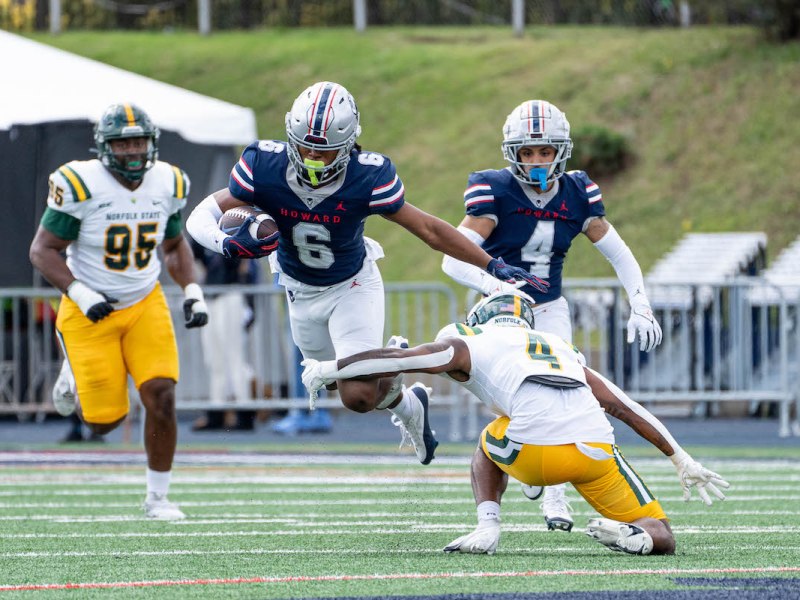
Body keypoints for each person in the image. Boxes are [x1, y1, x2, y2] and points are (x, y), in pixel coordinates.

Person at [186, 81, 548, 465]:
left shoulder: (367, 174)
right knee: (335, 383)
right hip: (299, 290)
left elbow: (427, 228)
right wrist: (226, 245)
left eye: (324, 152)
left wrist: (489, 264)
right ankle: (408, 402)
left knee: (357, 397)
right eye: (305, 147)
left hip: (351, 286)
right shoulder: (265, 164)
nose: (312, 158)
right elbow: (201, 214)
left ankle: (397, 374)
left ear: (347, 146)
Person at [301, 292, 730, 556]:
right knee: (663, 534)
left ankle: (488, 527)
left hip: (534, 455)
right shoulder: (562, 347)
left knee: (490, 438)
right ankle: (638, 538)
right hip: (596, 451)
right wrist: (679, 457)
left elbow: (400, 359)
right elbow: (624, 406)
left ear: (480, 319)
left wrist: (329, 368)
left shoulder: (470, 341)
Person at [441, 99, 663, 531]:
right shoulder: (493, 190)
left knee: (570, 386)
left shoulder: (578, 192)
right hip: (500, 312)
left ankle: (555, 499)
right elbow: (452, 258)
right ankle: (521, 457)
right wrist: (499, 286)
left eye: (545, 151)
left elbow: (618, 252)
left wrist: (641, 304)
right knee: (512, 394)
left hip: (548, 306)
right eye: (528, 152)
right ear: (512, 153)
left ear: (561, 151)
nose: (538, 161)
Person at [29, 102, 209, 520]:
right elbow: (42, 250)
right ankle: (71, 367)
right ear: (104, 148)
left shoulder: (168, 182)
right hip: (88, 307)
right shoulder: (79, 184)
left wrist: (193, 290)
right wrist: (79, 291)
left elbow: (174, 244)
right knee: (104, 423)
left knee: (161, 394)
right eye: (123, 142)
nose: (133, 150)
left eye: (139, 140)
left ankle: (158, 497)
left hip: (144, 300)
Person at [190, 240, 259, 432]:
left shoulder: (233, 227)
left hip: (232, 293)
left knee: (235, 356)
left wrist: (249, 304)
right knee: (213, 358)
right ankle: (216, 410)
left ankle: (244, 411)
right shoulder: (200, 230)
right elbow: (195, 257)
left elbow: (245, 266)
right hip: (211, 295)